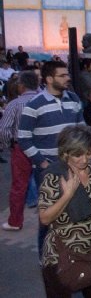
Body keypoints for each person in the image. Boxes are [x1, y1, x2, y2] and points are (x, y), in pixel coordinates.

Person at [18, 60, 84, 255]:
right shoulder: (34, 104)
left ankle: (70, 254)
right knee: (49, 216)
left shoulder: (73, 98)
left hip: (73, 167)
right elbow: (23, 138)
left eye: (67, 74)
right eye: (62, 75)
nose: (68, 78)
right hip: (47, 169)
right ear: (48, 79)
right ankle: (45, 257)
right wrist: (43, 163)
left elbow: (82, 129)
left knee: (74, 210)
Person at [39, 125, 91, 297]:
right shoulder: (54, 176)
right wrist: (68, 194)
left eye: (89, 153)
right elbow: (45, 218)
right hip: (62, 252)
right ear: (65, 153)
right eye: (77, 154)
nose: (84, 159)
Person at [1, 71, 40, 231]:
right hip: (43, 145)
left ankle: (15, 221)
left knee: (19, 185)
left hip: (21, 147)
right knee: (50, 182)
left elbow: (3, 130)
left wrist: (8, 145)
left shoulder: (14, 104)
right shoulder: (44, 100)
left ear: (21, 85)